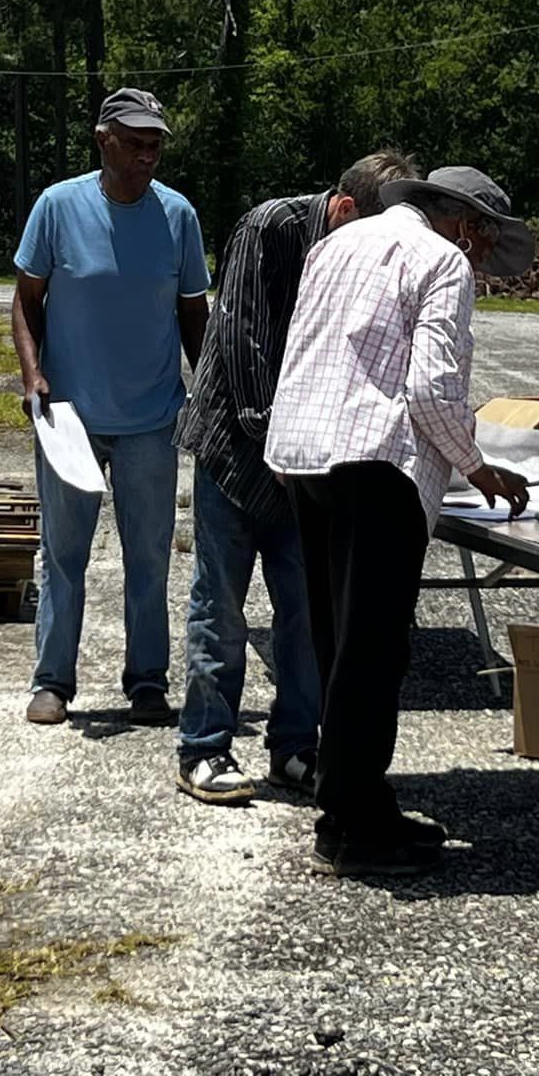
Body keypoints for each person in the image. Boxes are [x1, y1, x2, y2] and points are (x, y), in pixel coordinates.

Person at [266, 166, 536, 877]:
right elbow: (431, 387)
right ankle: (351, 827)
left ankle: (357, 801)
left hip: (306, 454)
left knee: (337, 642)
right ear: (465, 225)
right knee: (374, 652)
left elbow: (306, 347)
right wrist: (476, 465)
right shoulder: (442, 261)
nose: (481, 257)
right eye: (483, 239)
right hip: (375, 462)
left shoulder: (339, 242)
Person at [173, 150, 421, 807]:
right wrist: (278, 446)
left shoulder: (360, 249)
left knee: (308, 618)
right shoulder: (268, 229)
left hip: (308, 465)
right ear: (345, 208)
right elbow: (245, 348)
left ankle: (295, 748)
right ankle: (204, 747)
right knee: (220, 608)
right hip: (236, 453)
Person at [12, 88, 210, 728]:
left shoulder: (177, 217)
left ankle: (147, 682)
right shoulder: (58, 206)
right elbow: (25, 300)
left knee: (148, 556)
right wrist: (34, 374)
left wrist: (208, 390)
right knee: (63, 555)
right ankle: (52, 681)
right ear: (103, 139)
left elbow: (193, 315)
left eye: (155, 145)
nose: (147, 155)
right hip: (71, 420)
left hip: (152, 419)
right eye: (135, 143)